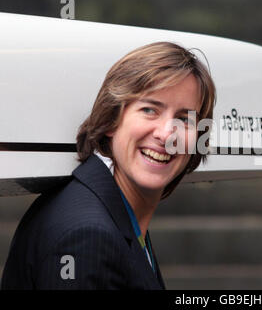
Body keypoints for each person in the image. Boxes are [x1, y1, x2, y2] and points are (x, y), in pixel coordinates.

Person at [1, 42, 216, 289]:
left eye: (183, 119)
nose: (167, 134)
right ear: (112, 119)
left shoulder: (115, 212)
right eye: (149, 110)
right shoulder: (87, 237)